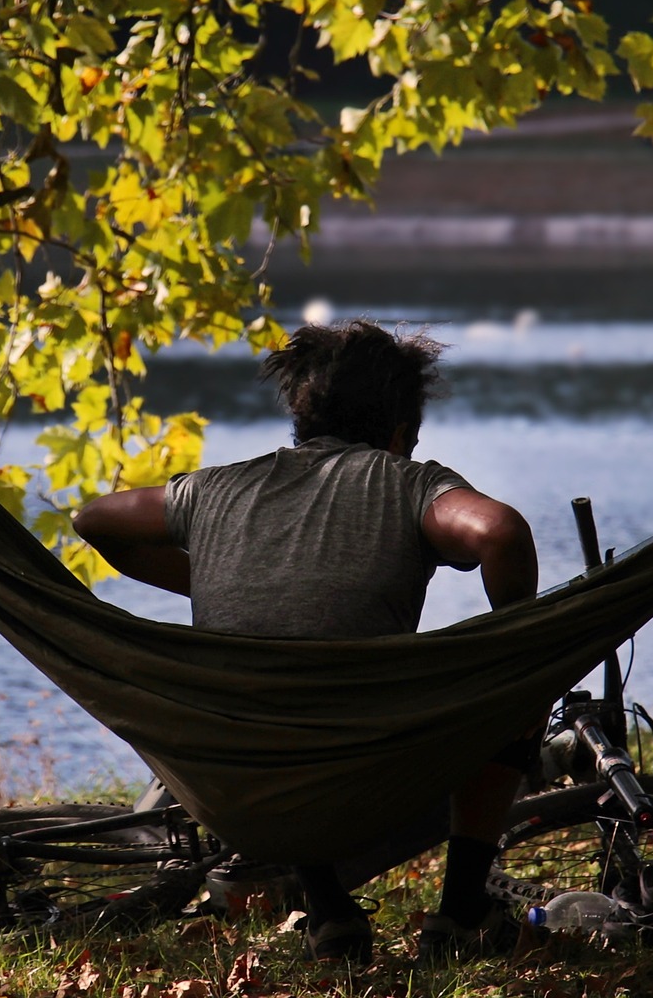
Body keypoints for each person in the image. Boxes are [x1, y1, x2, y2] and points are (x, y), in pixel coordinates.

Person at [74, 319, 539, 965]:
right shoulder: (407, 482)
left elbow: (92, 518)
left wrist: (206, 578)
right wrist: (520, 640)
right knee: (517, 690)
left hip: (242, 794)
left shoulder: (213, 490)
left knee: (284, 691)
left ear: (302, 421)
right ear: (401, 433)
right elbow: (499, 533)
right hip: (367, 775)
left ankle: (329, 909)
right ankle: (461, 910)